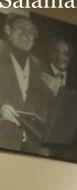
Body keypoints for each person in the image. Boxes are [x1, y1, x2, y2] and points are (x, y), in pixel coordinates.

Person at [0, 11, 51, 154]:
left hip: (33, 145)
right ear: (8, 29)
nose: (26, 35)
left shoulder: (40, 66)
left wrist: (56, 91)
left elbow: (46, 107)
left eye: (31, 32)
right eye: (20, 28)